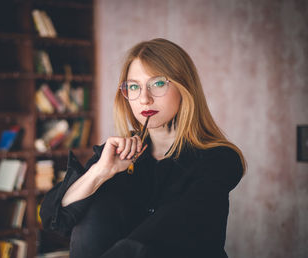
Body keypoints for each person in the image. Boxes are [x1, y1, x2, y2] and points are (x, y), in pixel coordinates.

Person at [40, 38, 246, 258]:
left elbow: (171, 228)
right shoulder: (115, 154)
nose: (145, 99)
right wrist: (100, 173)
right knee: (96, 200)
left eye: (158, 84)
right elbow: (54, 218)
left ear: (184, 87)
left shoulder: (219, 159)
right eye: (134, 87)